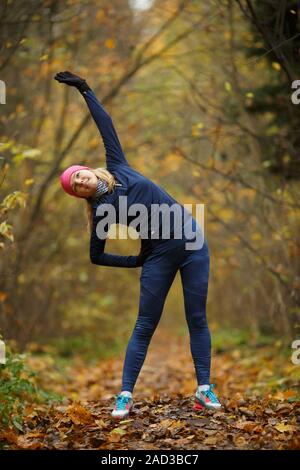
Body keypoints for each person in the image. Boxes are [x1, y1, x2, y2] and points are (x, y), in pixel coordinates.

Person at [54, 71, 221, 419]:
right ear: (78, 195)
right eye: (76, 186)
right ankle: (125, 396)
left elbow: (105, 125)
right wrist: (136, 261)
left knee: (197, 318)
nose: (81, 182)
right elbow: (96, 256)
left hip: (192, 242)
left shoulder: (119, 167)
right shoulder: (100, 212)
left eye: (79, 175)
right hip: (157, 255)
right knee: (145, 324)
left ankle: (204, 389)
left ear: (89, 170)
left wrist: (85, 89)